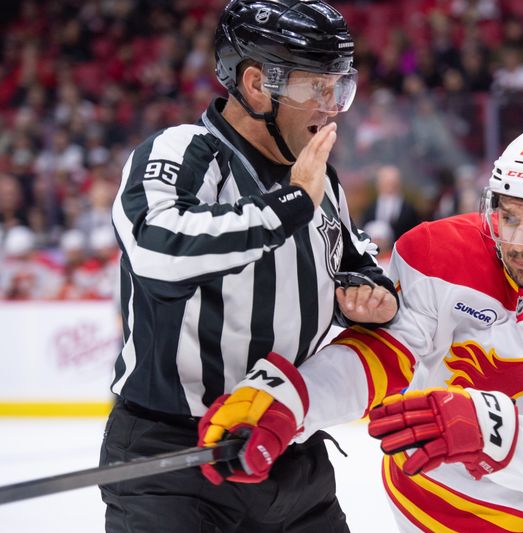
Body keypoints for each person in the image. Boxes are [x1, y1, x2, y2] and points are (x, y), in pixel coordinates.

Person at [99, 1, 398, 532]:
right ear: (258, 84)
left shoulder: (318, 180)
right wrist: (290, 205)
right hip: (176, 460)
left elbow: (351, 258)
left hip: (287, 450)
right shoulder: (185, 152)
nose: (332, 107)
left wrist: (370, 294)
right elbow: (158, 253)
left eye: (340, 88)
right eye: (316, 88)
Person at [288, 128, 523, 532]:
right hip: (430, 508)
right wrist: (290, 399)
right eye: (508, 216)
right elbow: (382, 354)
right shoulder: (436, 253)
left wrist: (489, 429)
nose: (518, 242)